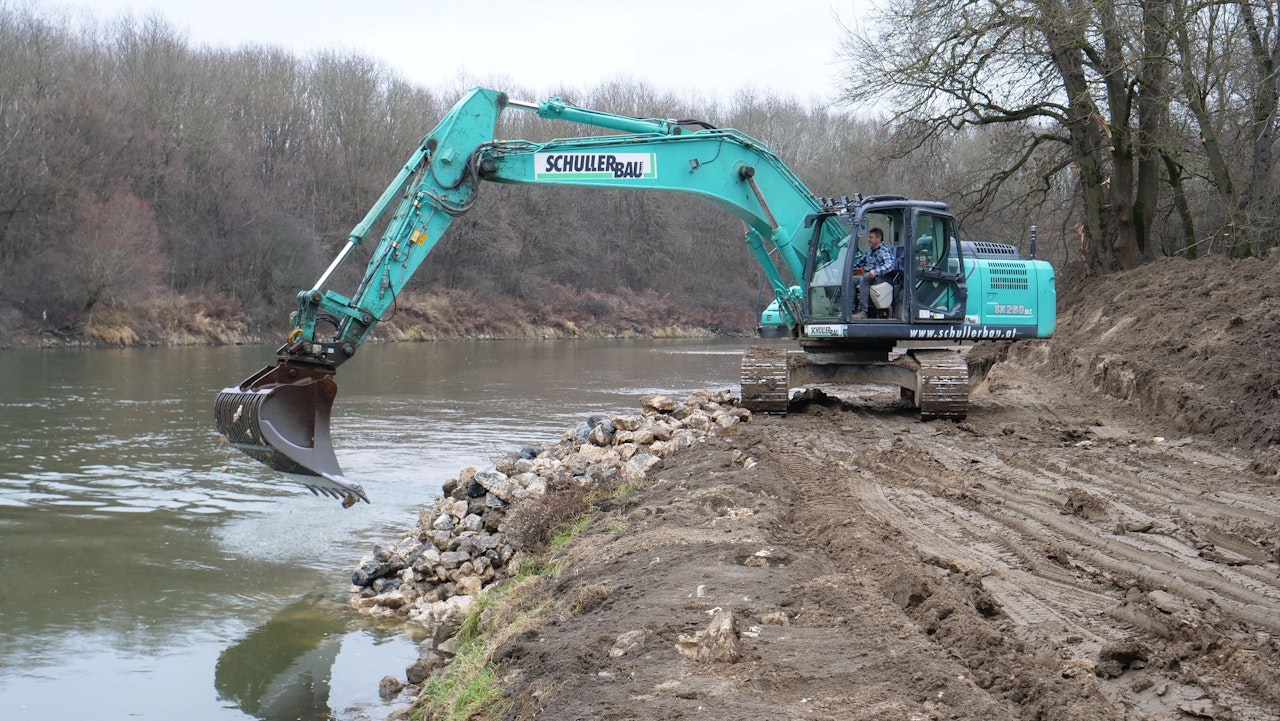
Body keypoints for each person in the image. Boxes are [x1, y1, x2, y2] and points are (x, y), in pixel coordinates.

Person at [851, 227, 896, 318]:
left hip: (881, 277)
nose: (868, 239)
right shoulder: (869, 250)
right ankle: (851, 309)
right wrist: (848, 269)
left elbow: (890, 265)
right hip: (869, 276)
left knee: (865, 278)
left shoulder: (884, 250)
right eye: (869, 237)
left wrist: (876, 271)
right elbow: (860, 263)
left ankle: (863, 311)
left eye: (871, 237)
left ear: (878, 239)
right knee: (850, 279)